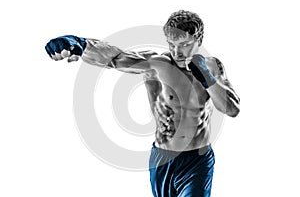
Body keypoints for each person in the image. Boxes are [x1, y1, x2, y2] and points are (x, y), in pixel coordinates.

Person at [45, 10, 240, 197]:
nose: (177, 52)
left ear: (199, 41)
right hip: (163, 159)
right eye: (172, 44)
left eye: (185, 44)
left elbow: (232, 109)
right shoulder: (157, 64)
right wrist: (81, 44)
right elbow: (116, 58)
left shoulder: (213, 67)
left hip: (198, 160)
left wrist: (207, 78)